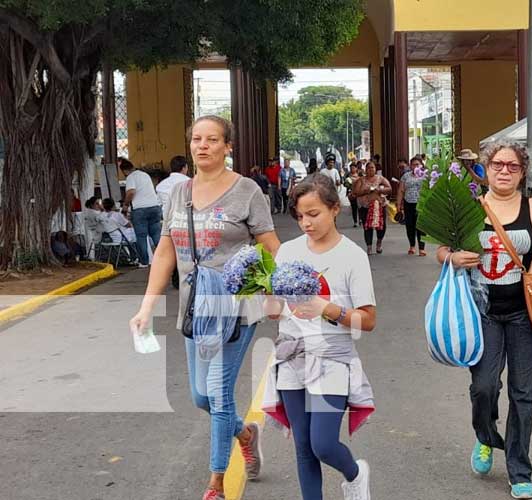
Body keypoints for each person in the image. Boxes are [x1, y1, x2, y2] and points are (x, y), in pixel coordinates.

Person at [129, 115, 281, 500]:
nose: (203, 145)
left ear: (228, 146)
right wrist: (147, 307)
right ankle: (246, 433)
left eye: (212, 139)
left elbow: (270, 245)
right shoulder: (179, 193)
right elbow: (166, 251)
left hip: (236, 308)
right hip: (196, 307)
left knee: (217, 392)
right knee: (200, 396)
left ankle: (215, 483)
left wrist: (276, 292)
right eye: (197, 139)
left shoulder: (247, 191)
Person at [436, 140, 532, 500]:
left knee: (522, 392)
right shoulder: (470, 208)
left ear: (522, 171)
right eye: (498, 164)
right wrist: (451, 258)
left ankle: (519, 470)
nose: (504, 171)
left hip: (522, 314)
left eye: (512, 166)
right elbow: (439, 247)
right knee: (484, 387)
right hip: (480, 311)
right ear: (485, 168)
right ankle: (486, 436)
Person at [264, 173, 376, 500]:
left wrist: (327, 309)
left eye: (313, 214)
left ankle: (355, 474)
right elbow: (275, 310)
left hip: (333, 359)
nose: (306, 223)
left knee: (323, 445)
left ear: (334, 209)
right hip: (292, 356)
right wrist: (266, 296)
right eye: (300, 216)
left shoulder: (352, 256)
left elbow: (367, 320)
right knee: (303, 447)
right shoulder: (287, 252)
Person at [120, 159, 162, 266]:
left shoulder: (130, 177)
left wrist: (125, 205)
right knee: (156, 235)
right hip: (154, 207)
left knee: (141, 237)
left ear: (125, 171)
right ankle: (164, 259)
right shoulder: (145, 175)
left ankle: (144, 262)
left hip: (140, 210)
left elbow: (131, 192)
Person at [352, 160, 391, 255]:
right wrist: (366, 191)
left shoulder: (380, 178)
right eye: (368, 168)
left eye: (372, 168)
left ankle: (379, 242)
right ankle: (369, 246)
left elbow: (389, 188)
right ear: (365, 170)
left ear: (375, 169)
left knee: (381, 226)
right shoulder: (361, 180)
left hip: (379, 206)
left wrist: (380, 190)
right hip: (365, 207)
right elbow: (356, 192)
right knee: (367, 227)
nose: (370, 170)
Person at [397, 156, 427, 256]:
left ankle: (422, 248)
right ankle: (412, 246)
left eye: (417, 164)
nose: (415, 166)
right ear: (410, 166)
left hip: (422, 204)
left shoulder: (425, 176)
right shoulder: (406, 176)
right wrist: (398, 205)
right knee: (410, 225)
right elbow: (401, 191)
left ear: (422, 165)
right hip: (408, 203)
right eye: (413, 164)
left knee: (421, 226)